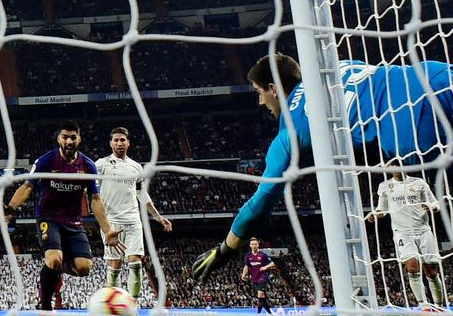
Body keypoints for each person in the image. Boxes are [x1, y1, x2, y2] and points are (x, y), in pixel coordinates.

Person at [192, 54, 453, 282]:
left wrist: (224, 250)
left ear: (272, 89)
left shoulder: (289, 132)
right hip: (435, 73)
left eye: (258, 92)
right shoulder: (334, 67)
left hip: (412, 121)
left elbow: (261, 201)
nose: (260, 102)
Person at [0, 121, 125, 316]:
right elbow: (28, 186)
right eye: (65, 137)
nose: (69, 141)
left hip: (74, 221)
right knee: (54, 259)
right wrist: (10, 210)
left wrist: (107, 230)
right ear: (59, 139)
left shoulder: (88, 166)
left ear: (79, 139)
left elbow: (96, 200)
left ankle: (55, 271)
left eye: (73, 137)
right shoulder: (46, 161)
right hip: (48, 217)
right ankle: (45, 309)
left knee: (84, 268)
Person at [95, 127, 172, 301]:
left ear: (128, 143)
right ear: (110, 143)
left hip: (133, 220)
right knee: (115, 266)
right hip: (112, 222)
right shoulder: (101, 165)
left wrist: (158, 217)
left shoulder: (136, 167)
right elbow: (92, 193)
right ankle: (111, 306)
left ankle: (133, 306)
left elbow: (141, 194)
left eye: (122, 140)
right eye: (116, 140)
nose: (119, 143)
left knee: (136, 263)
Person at [366, 171, 446, 316]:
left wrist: (432, 207)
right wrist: (375, 215)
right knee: (412, 267)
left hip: (423, 230)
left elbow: (435, 203)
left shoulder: (419, 183)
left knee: (431, 271)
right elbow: (382, 209)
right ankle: (424, 308)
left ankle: (440, 308)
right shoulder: (385, 186)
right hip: (402, 233)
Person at [240, 237, 275, 314]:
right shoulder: (248, 256)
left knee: (260, 294)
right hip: (254, 278)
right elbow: (246, 266)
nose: (254, 245)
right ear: (250, 245)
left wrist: (265, 267)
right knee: (261, 297)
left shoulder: (263, 255)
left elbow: (272, 263)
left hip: (262, 277)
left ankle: (258, 314)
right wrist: (243, 274)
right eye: (252, 244)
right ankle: (270, 313)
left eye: (255, 244)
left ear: (258, 245)